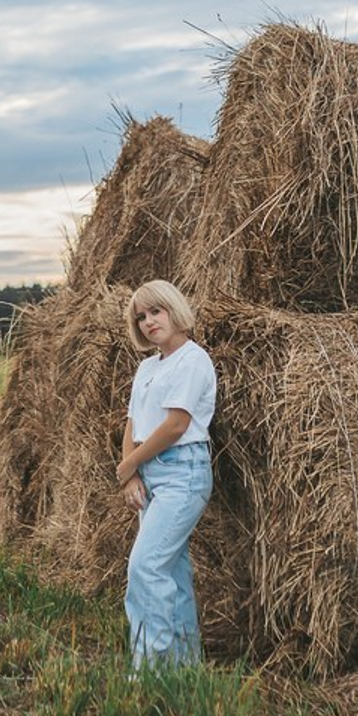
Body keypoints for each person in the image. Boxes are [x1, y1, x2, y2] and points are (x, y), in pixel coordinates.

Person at [115, 279, 216, 670]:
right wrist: (130, 473)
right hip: (150, 473)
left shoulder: (193, 360)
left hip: (182, 473)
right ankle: (184, 670)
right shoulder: (146, 368)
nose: (148, 321)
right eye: (140, 317)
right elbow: (132, 423)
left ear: (174, 309)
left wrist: (130, 462)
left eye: (155, 311)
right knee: (171, 571)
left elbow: (176, 425)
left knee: (145, 567)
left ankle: (151, 672)